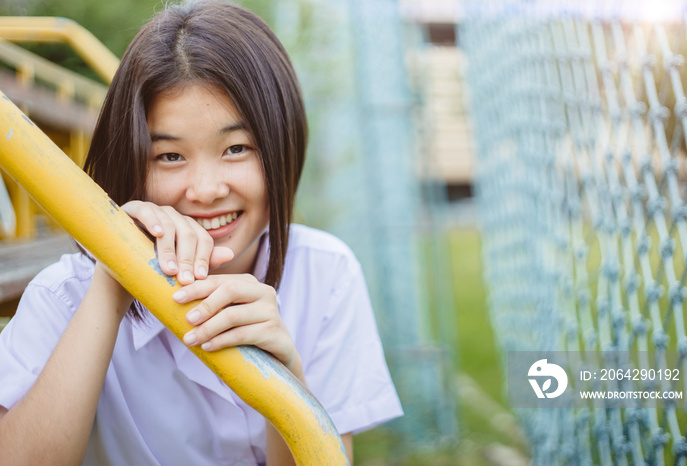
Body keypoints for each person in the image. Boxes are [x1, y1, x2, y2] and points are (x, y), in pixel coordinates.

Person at [0, 1, 403, 464]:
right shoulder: (68, 295)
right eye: (169, 156)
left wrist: (288, 384)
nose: (207, 191)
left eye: (236, 148)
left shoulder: (326, 273)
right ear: (130, 160)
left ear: (281, 145)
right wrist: (112, 289)